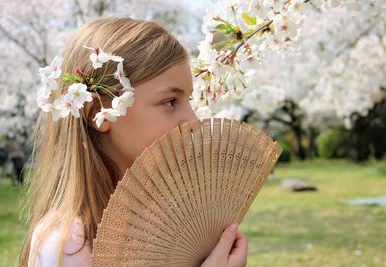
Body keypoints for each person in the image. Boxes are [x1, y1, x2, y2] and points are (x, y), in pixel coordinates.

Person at [18, 17, 248, 267]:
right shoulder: (67, 245)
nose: (193, 120)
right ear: (100, 113)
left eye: (189, 100)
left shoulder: (160, 222)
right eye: (170, 101)